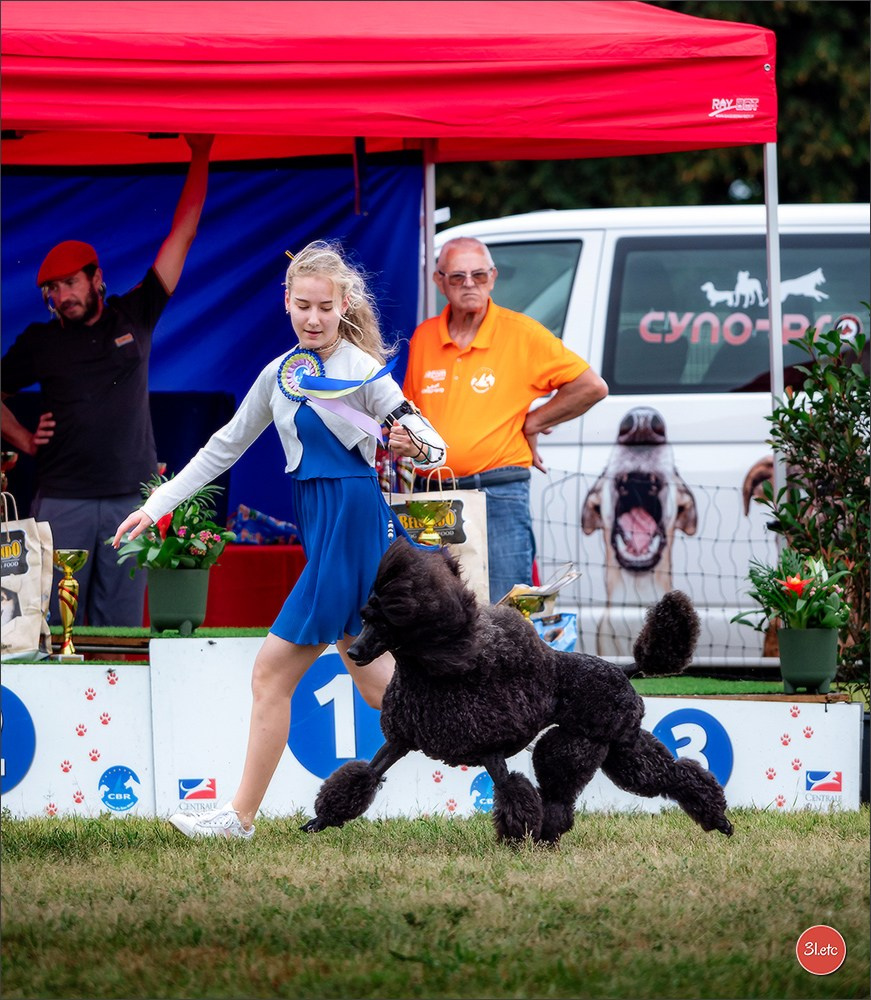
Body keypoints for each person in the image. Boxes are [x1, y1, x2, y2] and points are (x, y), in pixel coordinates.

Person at [112, 241, 447, 839]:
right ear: (287, 302)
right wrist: (156, 506)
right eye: (303, 306)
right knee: (381, 690)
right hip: (324, 529)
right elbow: (223, 447)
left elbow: (434, 446)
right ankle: (495, 729)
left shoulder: (362, 370)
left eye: (325, 307)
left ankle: (239, 817)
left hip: (351, 525)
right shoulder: (280, 374)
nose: (313, 318)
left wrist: (412, 444)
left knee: (271, 674)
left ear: (344, 305)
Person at [1, 133, 214, 627]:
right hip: (62, 497)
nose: (62, 296)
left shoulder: (134, 313)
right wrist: (23, 439)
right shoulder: (40, 340)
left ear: (96, 278)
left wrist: (201, 153)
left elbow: (181, 235)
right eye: (52, 290)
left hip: (130, 496)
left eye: (70, 282)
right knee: (55, 625)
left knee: (120, 626)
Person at [401, 236, 608, 603]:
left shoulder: (521, 333)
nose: (469, 284)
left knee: (507, 606)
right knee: (437, 607)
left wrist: (532, 421)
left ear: (493, 277)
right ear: (439, 281)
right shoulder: (424, 336)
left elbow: (591, 386)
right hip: (433, 491)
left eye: (479, 276)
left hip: (498, 489)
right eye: (458, 277)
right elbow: (411, 413)